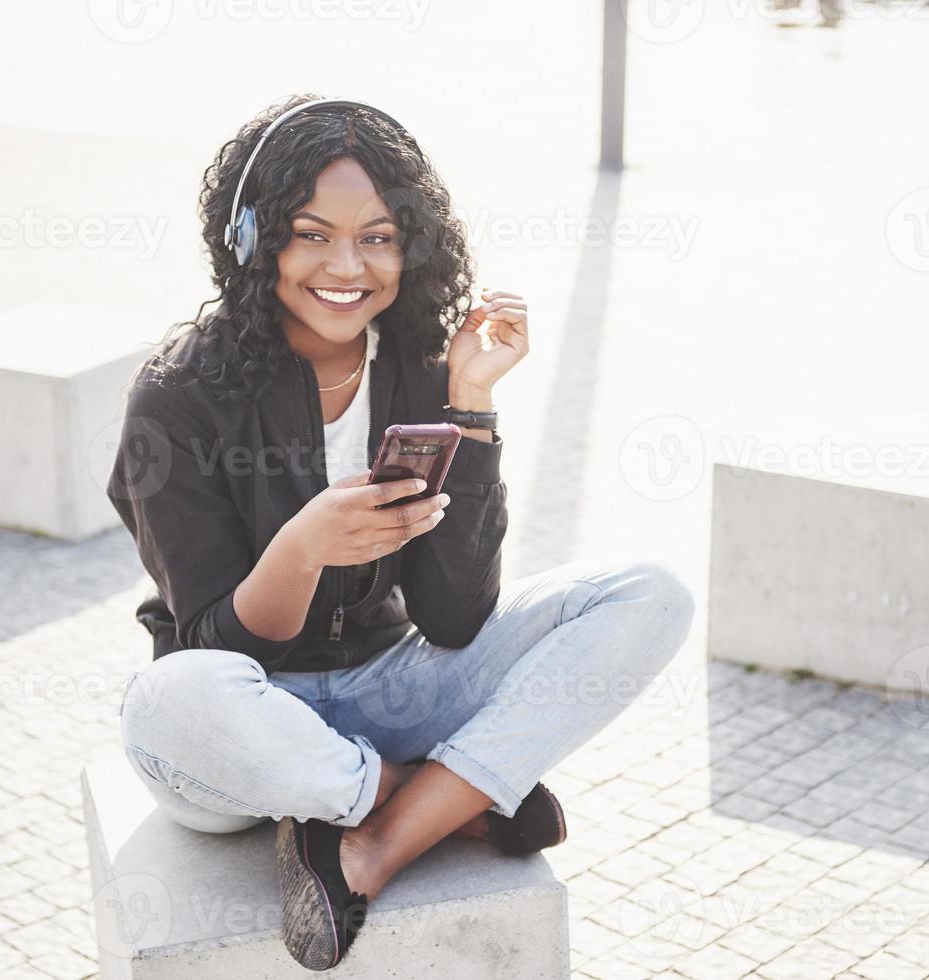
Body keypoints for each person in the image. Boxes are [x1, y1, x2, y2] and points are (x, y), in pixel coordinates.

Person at [106, 94, 695, 971]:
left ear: (410, 245)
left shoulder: (419, 370)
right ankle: (442, 800)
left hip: (388, 690)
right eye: (311, 233)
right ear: (252, 238)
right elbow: (211, 645)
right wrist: (303, 547)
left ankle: (371, 847)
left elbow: (453, 619)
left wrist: (473, 405)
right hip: (245, 730)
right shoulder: (179, 396)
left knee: (650, 592)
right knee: (167, 699)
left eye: (376, 237)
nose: (347, 266)